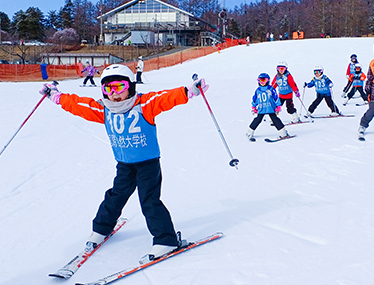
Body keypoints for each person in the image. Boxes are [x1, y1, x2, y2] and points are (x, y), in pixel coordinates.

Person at [39, 64, 209, 262]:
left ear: (131, 86)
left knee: (149, 200)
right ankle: (102, 228)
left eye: (119, 87)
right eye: (108, 89)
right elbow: (78, 105)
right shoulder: (103, 109)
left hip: (148, 163)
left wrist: (189, 91)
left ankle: (166, 240)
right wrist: (56, 96)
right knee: (115, 195)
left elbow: (164, 98)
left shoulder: (144, 104)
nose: (114, 94)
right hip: (124, 164)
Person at [247, 73, 289, 141]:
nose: (262, 82)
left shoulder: (271, 89)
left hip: (270, 108)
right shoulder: (258, 90)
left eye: (264, 80)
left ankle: (283, 133)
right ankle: (250, 132)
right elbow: (255, 99)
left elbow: (276, 98)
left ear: (268, 81)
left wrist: (278, 106)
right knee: (257, 120)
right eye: (260, 81)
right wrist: (254, 107)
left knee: (275, 120)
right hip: (262, 108)